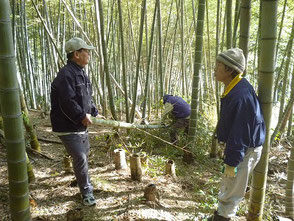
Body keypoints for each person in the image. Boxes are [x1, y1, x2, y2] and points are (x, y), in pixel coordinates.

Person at [207, 48, 265, 220]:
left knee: (232, 190)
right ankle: (220, 216)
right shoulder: (234, 88)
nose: (215, 69)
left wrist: (232, 161)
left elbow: (240, 133)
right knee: (228, 185)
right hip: (240, 148)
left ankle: (222, 218)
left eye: (218, 65)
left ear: (230, 70)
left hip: (246, 150)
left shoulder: (241, 95)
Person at [50, 37, 101, 206]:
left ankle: (83, 182)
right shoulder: (66, 74)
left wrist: (94, 112)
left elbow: (87, 99)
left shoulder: (82, 74)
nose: (89, 54)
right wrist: (81, 116)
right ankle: (87, 192)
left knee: (83, 156)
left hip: (79, 125)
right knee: (80, 157)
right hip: (67, 125)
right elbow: (67, 101)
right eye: (86, 52)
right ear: (76, 54)